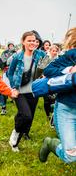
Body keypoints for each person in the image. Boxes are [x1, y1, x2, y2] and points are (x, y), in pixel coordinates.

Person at [39, 27, 76, 163]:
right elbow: (47, 70)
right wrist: (70, 70)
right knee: (71, 156)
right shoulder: (70, 55)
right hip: (67, 108)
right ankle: (50, 143)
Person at [8, 31, 46, 152]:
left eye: (34, 41)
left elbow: (47, 67)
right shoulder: (17, 57)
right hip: (19, 91)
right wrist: (13, 87)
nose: (32, 43)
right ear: (23, 42)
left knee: (28, 117)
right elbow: (10, 72)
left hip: (34, 91)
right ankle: (15, 132)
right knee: (26, 115)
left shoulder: (40, 54)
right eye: (29, 40)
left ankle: (15, 144)